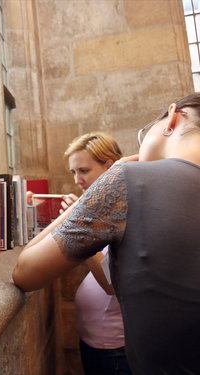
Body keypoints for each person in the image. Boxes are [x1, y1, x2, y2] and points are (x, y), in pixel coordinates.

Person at [12, 93, 200, 375]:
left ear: (174, 116)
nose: (78, 179)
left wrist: (84, 204)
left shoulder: (128, 180)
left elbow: (25, 272)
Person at [60, 132, 130, 375]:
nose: (78, 180)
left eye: (84, 170)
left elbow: (112, 283)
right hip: (97, 340)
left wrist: (79, 227)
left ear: (110, 167)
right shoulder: (104, 210)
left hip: (115, 348)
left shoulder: (124, 211)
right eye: (73, 173)